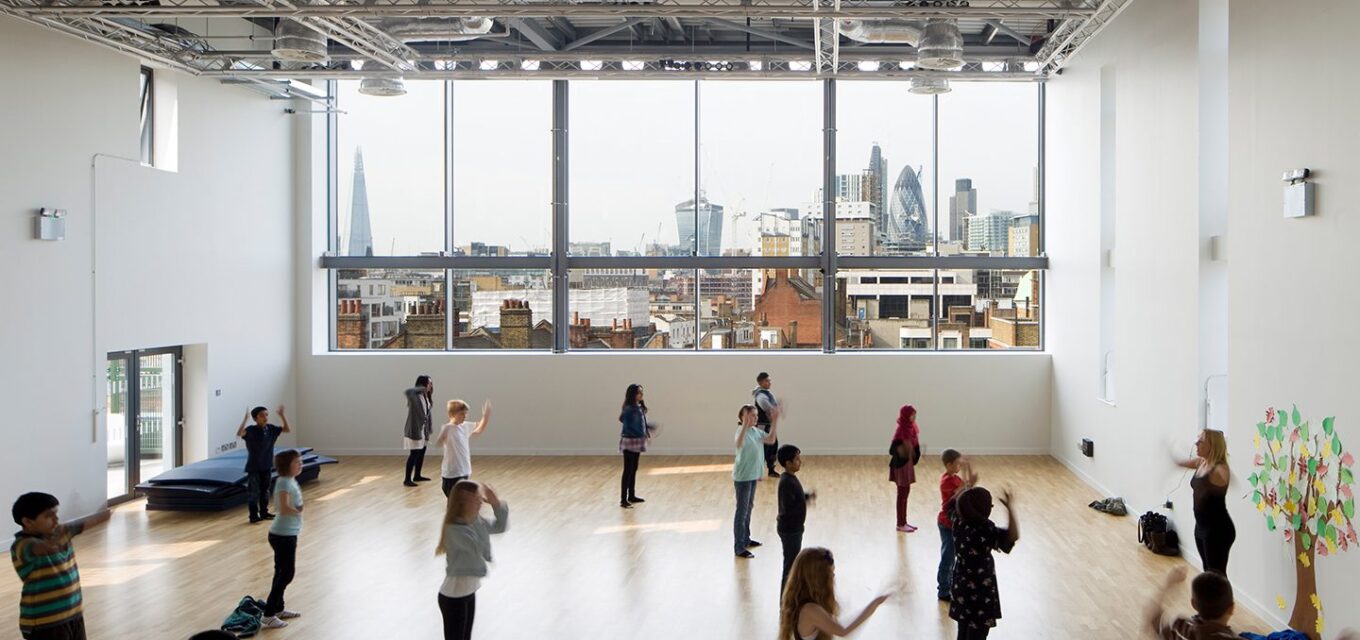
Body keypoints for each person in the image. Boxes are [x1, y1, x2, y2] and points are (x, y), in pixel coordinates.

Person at [10, 493, 110, 640]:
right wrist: (56, 539)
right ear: (27, 521)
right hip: (44, 621)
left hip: (73, 613)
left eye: (56, 514)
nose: (56, 519)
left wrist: (106, 514)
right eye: (49, 516)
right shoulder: (22, 545)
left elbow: (86, 523)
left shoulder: (60, 532)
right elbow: (40, 548)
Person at [435, 480, 508, 640]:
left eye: (480, 498)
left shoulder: (475, 521)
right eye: (476, 499)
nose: (481, 502)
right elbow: (478, 546)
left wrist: (496, 504)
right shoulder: (454, 529)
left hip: (468, 592)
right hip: (453, 597)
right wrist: (477, 521)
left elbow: (500, 527)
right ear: (463, 502)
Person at [948, 486, 1019, 640]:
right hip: (981, 594)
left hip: (961, 589)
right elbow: (1012, 537)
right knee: (977, 634)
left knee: (962, 631)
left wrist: (964, 490)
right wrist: (1010, 509)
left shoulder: (957, 523)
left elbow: (951, 505)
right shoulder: (986, 530)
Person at [777, 547, 892, 640]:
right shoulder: (810, 610)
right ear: (818, 578)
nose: (833, 576)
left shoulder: (798, 601)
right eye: (830, 573)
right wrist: (876, 602)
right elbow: (843, 630)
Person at [1174, 429, 1235, 575]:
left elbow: (1225, 476)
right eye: (1197, 439)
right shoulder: (1201, 463)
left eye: (1201, 441)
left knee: (1217, 575)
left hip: (1218, 530)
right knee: (1209, 572)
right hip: (1201, 527)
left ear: (1212, 446)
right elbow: (1179, 463)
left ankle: (1224, 598)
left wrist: (1223, 478)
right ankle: (1213, 598)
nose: (1196, 443)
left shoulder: (1219, 468)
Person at [261, 449, 304, 629]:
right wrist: (298, 511)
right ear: (287, 466)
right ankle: (269, 613)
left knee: (281, 571)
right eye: (297, 462)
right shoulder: (284, 483)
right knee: (286, 573)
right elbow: (284, 507)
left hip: (288, 534)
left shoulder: (289, 480)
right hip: (282, 535)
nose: (300, 464)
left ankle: (278, 609)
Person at [1145, 567, 1238, 640]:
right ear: (1231, 608)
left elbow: (1153, 618)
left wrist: (1167, 583)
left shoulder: (1180, 628)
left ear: (1193, 604)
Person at [734, 404, 778, 558]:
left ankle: (746, 539)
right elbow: (738, 443)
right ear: (743, 418)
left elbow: (771, 440)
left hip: (753, 476)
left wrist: (775, 422)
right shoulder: (741, 432)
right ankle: (739, 547)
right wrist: (745, 424)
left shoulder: (755, 431)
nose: (756, 418)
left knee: (748, 508)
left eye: (756, 415)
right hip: (743, 477)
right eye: (752, 415)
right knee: (742, 511)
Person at [236, 405, 290, 524]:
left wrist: (282, 415)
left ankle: (264, 512)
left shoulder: (271, 429)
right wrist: (245, 419)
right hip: (254, 466)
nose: (265, 417)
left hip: (266, 465)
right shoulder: (250, 430)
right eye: (261, 415)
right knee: (254, 492)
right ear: (255, 419)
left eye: (266, 414)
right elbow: (240, 433)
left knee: (265, 490)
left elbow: (286, 429)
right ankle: (253, 515)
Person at [937, 449, 977, 602]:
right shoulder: (946, 480)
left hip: (954, 524)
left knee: (952, 557)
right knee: (947, 558)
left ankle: (950, 586)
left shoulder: (954, 477)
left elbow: (967, 486)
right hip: (947, 524)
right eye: (958, 465)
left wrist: (968, 467)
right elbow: (961, 491)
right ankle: (943, 590)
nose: (959, 467)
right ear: (949, 464)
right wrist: (968, 476)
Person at [777, 444, 815, 595]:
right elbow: (788, 507)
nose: (800, 462)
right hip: (791, 530)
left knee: (792, 563)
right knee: (790, 566)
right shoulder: (787, 482)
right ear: (788, 463)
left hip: (793, 529)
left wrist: (805, 497)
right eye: (797, 459)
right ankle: (785, 600)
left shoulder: (790, 479)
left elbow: (795, 498)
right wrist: (801, 504)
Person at [436, 400, 493, 497]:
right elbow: (439, 443)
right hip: (451, 473)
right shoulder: (448, 428)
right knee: (454, 500)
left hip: (464, 470)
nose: (465, 416)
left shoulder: (465, 426)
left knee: (462, 500)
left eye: (465, 414)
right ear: (452, 414)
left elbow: (478, 430)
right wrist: (442, 438)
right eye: (462, 414)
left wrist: (485, 417)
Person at [889, 405, 921, 533]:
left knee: (905, 493)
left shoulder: (913, 429)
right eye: (911, 415)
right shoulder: (901, 431)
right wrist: (903, 451)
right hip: (901, 466)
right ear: (905, 416)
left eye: (914, 415)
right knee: (902, 494)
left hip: (907, 465)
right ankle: (900, 523)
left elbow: (915, 447)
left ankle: (904, 522)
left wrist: (914, 454)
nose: (913, 417)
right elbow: (892, 450)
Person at [618, 383, 650, 509]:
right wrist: (638, 432)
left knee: (634, 468)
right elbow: (623, 420)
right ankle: (623, 499)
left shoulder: (639, 407)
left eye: (642, 392)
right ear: (633, 394)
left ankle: (631, 495)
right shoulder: (629, 408)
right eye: (639, 392)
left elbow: (640, 423)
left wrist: (646, 430)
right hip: (630, 440)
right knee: (628, 469)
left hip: (637, 440)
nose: (641, 394)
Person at [404, 375, 435, 487]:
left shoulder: (427, 397)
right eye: (428, 383)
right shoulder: (414, 396)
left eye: (431, 383)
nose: (430, 386)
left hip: (423, 431)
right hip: (414, 430)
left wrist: (429, 428)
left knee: (421, 453)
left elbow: (427, 415)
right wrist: (421, 388)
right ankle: (407, 479)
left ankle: (417, 475)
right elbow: (408, 391)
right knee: (414, 454)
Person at [753, 372, 782, 478]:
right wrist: (775, 411)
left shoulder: (767, 393)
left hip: (768, 425)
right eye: (767, 381)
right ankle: (757, 472)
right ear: (760, 382)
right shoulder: (761, 396)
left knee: (773, 446)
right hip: (762, 426)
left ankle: (770, 469)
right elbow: (768, 409)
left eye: (770, 380)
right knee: (763, 449)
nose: (769, 382)